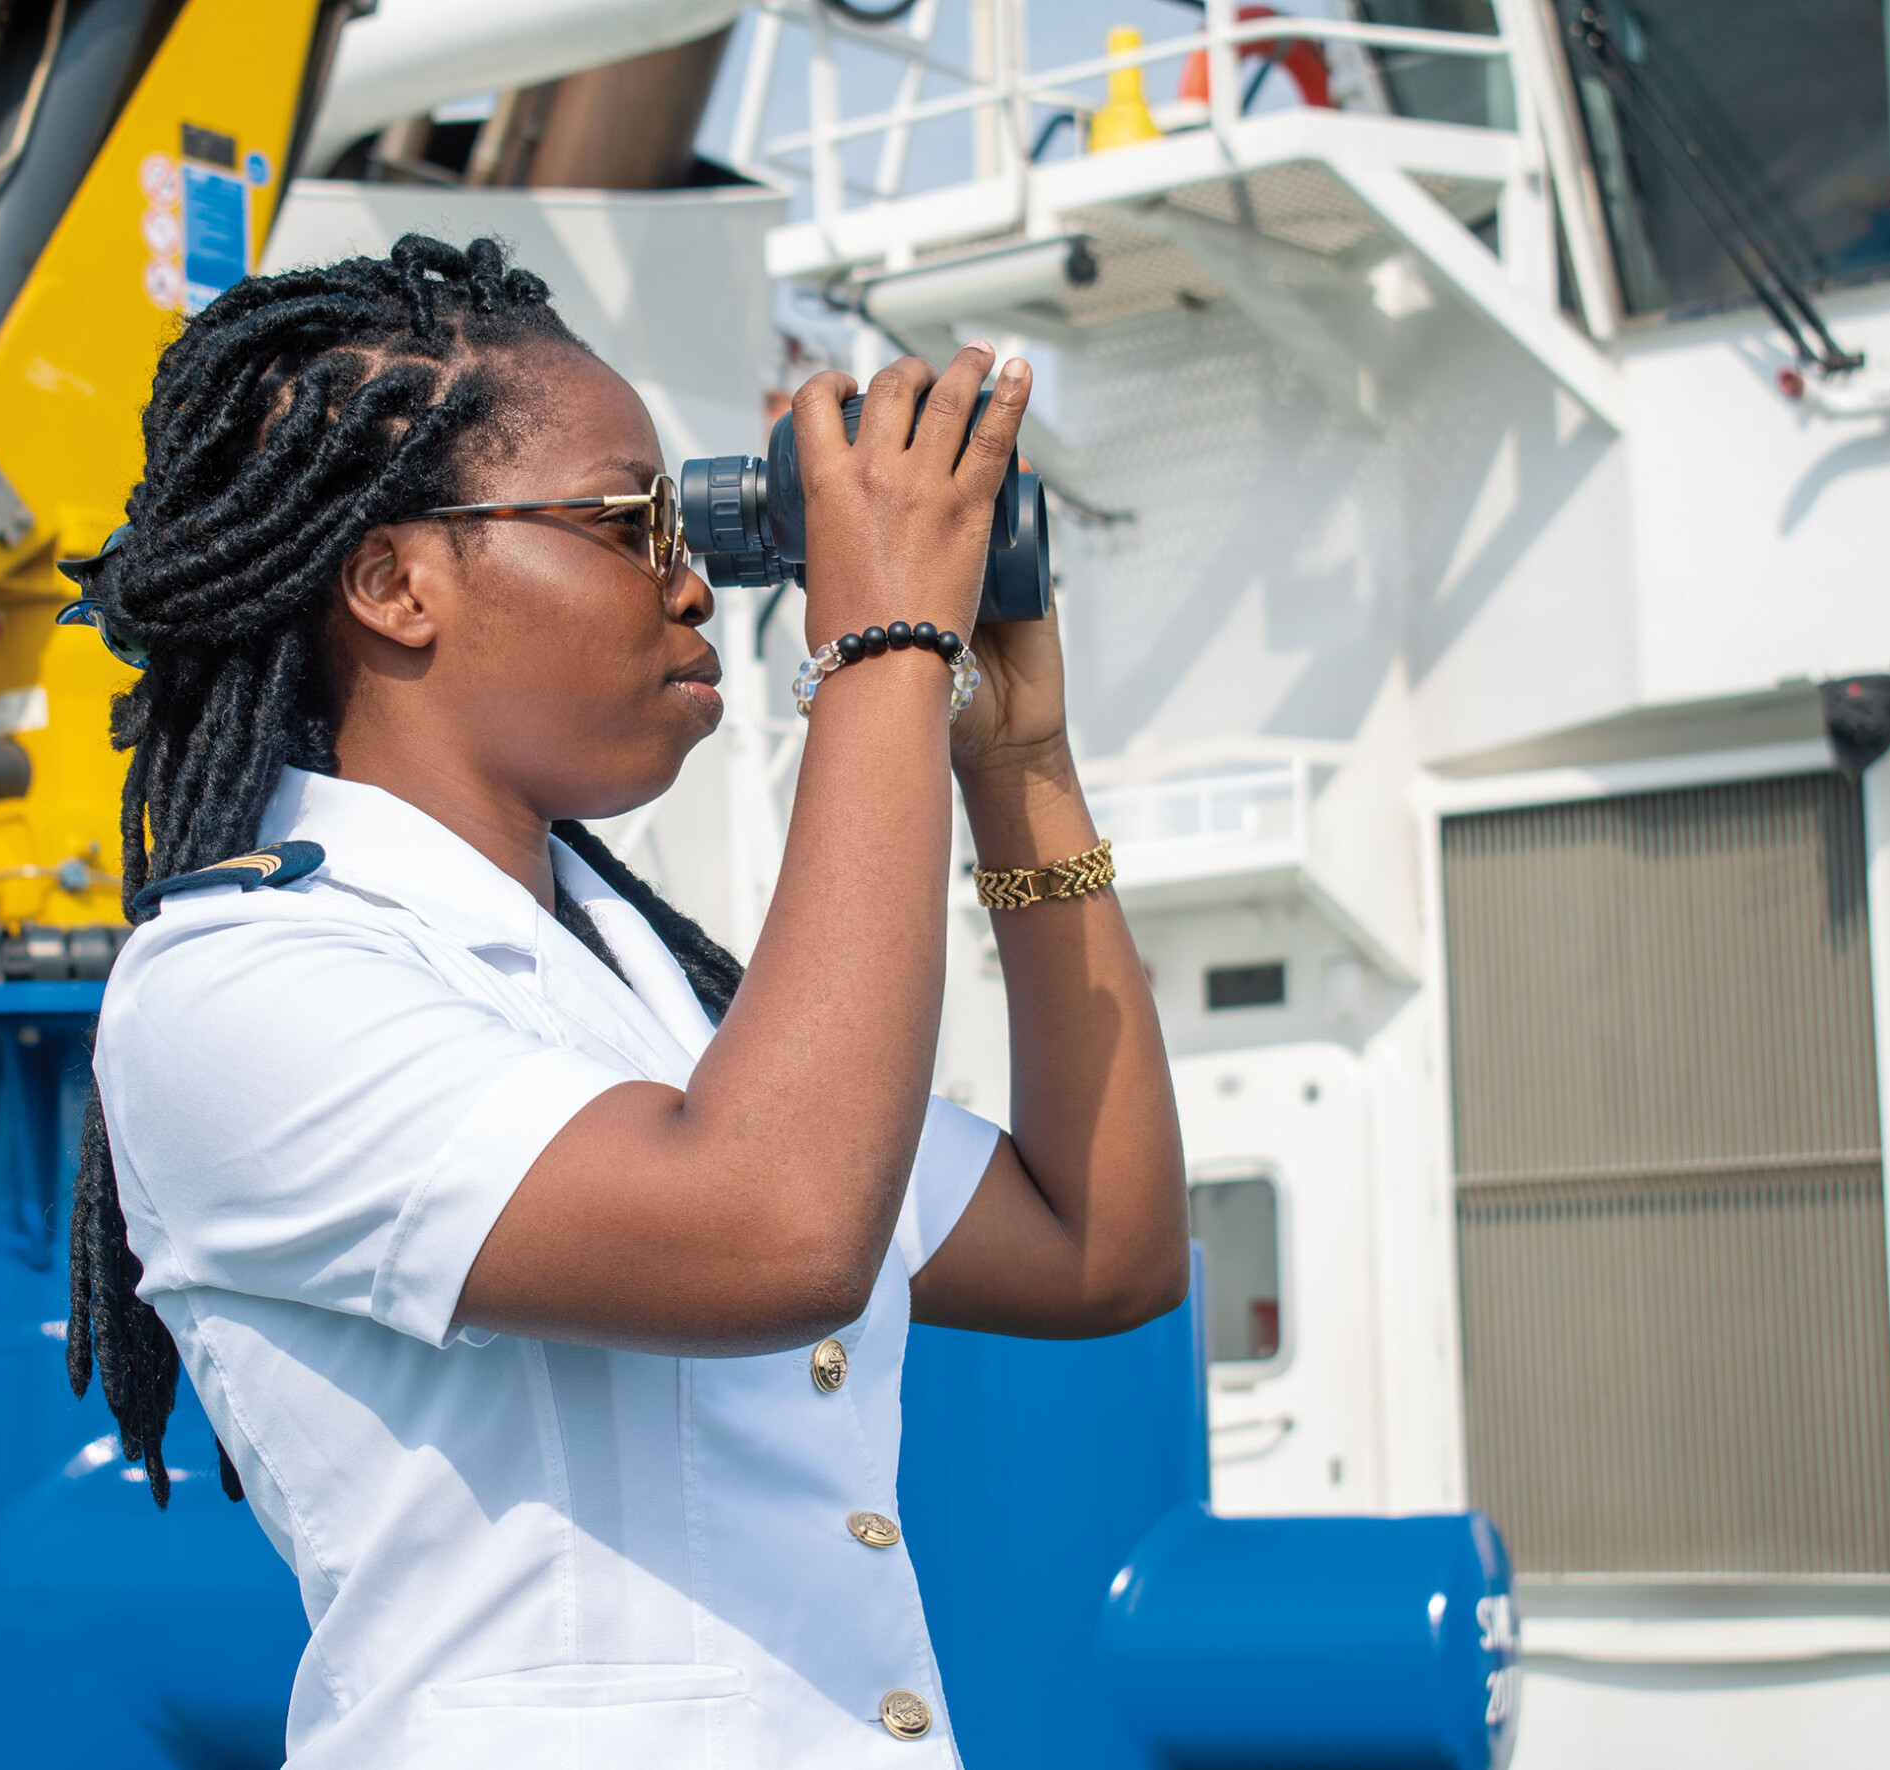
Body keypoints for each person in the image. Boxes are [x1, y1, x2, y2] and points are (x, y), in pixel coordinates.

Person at [68, 235, 1186, 1768]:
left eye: (690, 519)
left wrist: (1018, 766)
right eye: (628, 520)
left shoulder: (660, 1006)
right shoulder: (232, 990)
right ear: (393, 582)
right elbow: (777, 1227)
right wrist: (881, 649)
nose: (694, 582)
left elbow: (1100, 1245)